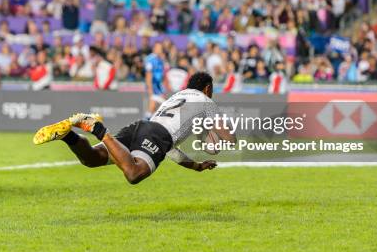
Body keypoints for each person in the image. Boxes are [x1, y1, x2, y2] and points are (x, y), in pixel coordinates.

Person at [33, 72, 231, 184]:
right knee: (134, 173)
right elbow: (229, 137)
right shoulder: (206, 101)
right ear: (207, 89)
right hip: (157, 135)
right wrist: (217, 139)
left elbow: (169, 150)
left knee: (93, 159)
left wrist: (196, 166)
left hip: (142, 127)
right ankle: (97, 128)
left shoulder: (177, 96)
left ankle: (67, 136)